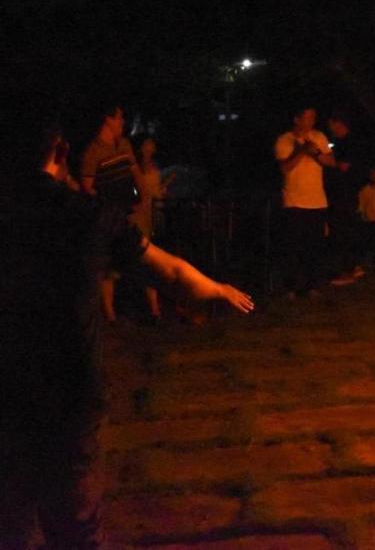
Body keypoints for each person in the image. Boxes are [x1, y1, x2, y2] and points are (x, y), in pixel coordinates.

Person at [1, 119, 253, 546]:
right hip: (68, 387)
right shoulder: (87, 215)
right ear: (60, 152)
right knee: (75, 523)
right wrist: (218, 291)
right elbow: (169, 271)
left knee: (9, 518)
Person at [79, 103, 144, 323]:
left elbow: (135, 174)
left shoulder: (124, 144)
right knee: (108, 268)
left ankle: (134, 308)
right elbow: (87, 187)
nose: (122, 122)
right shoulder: (93, 151)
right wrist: (104, 206)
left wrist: (140, 197)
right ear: (108, 119)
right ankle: (110, 314)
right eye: (119, 118)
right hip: (107, 218)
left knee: (134, 259)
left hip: (129, 213)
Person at [273, 106, 336, 298]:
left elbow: (331, 162)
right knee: (293, 246)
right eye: (307, 117)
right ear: (297, 119)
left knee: (314, 246)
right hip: (294, 200)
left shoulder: (319, 136)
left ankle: (312, 285)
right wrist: (302, 151)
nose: (311, 121)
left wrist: (316, 153)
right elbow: (285, 168)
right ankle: (291, 286)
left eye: (313, 117)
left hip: (317, 200)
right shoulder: (285, 140)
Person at [130, 137, 175, 322]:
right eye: (148, 143)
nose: (152, 146)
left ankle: (157, 305)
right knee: (147, 255)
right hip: (142, 213)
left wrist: (163, 190)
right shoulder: (137, 166)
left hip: (154, 212)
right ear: (142, 147)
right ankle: (152, 307)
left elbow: (154, 189)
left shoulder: (154, 165)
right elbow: (140, 190)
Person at [325, 110, 368, 286]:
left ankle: (348, 270)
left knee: (342, 230)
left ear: (339, 123)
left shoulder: (348, 143)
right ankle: (355, 266)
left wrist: (324, 160)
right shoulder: (341, 142)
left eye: (331, 125)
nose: (330, 129)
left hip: (344, 193)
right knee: (346, 229)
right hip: (345, 192)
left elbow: (343, 166)